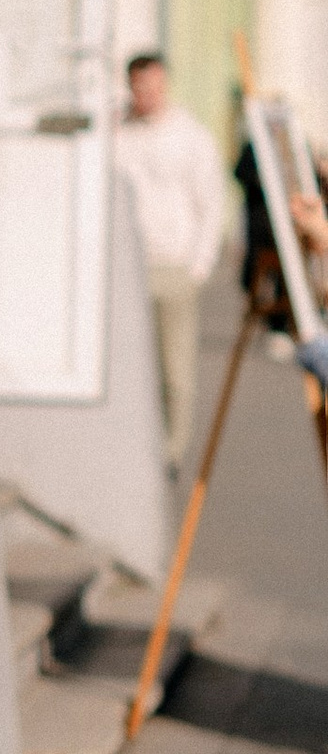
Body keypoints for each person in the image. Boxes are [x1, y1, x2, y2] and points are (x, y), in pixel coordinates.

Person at [116, 52, 232, 467]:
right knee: (128, 364)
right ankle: (133, 443)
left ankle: (171, 450)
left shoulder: (189, 136)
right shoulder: (118, 131)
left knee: (174, 367)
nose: (145, 94)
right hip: (125, 264)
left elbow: (210, 200)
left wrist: (200, 262)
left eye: (153, 85)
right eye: (138, 86)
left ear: (165, 84)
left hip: (173, 264)